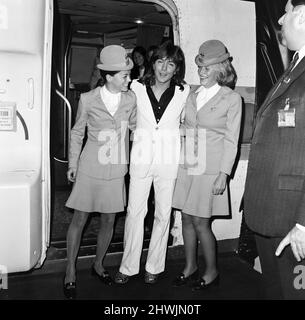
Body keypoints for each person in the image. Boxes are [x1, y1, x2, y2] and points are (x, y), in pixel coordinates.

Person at [63, 45, 136, 299]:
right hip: (90, 167)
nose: (130, 79)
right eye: (125, 75)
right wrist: (73, 164)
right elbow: (77, 132)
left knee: (109, 220)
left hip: (117, 169)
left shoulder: (131, 99)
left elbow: (137, 128)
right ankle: (70, 271)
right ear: (109, 77)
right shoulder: (88, 99)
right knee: (80, 219)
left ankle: (98, 264)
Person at [244, 0, 305, 300]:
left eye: (288, 11)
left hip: (294, 220)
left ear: (303, 17)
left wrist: (304, 225)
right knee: (275, 291)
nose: (280, 19)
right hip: (273, 210)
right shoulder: (294, 69)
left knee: (295, 293)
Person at [114, 41, 190, 284]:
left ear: (177, 68)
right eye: (160, 61)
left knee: (163, 214)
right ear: (152, 63)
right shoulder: (134, 87)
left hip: (169, 161)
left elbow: (191, 124)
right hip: (140, 159)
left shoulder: (184, 92)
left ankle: (154, 267)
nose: (164, 68)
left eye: (171, 63)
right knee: (135, 212)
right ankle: (128, 267)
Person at [171, 40, 242, 290]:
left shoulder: (232, 99)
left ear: (220, 69)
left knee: (202, 222)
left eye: (207, 67)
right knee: (187, 219)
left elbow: (231, 141)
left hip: (211, 168)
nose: (201, 71)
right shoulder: (193, 95)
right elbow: (186, 129)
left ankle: (212, 271)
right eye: (200, 66)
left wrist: (224, 174)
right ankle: (190, 267)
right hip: (188, 165)